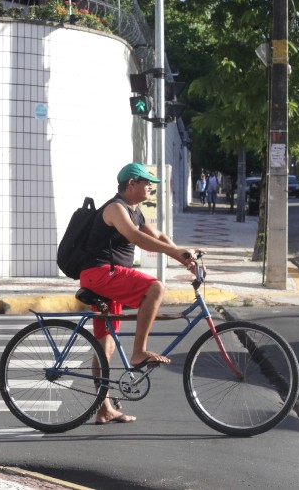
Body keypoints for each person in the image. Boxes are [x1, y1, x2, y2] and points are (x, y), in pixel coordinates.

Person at [78, 162, 200, 424]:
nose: (150, 188)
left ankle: (104, 408)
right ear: (131, 183)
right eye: (146, 183)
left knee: (106, 345)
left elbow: (159, 236)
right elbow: (134, 237)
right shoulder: (115, 208)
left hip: (110, 279)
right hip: (101, 274)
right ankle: (140, 352)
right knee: (155, 287)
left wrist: (184, 257)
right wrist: (174, 253)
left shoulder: (135, 212)